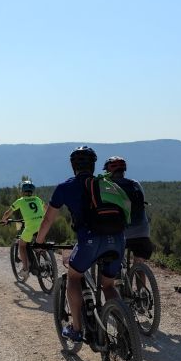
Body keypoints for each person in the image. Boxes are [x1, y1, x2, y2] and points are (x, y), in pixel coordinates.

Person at [35, 146, 125, 342]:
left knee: (74, 278)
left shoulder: (65, 187)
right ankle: (125, 331)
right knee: (108, 285)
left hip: (91, 241)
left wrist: (39, 242)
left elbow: (48, 220)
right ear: (93, 166)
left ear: (72, 166)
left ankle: (76, 328)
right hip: (117, 240)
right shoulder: (106, 184)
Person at [102, 156, 155, 266]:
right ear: (123, 171)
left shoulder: (106, 186)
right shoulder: (134, 184)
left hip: (120, 233)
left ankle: (116, 278)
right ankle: (140, 274)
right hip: (142, 233)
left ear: (108, 171)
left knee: (110, 261)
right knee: (139, 264)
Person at [0, 181, 46, 280]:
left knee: (22, 244)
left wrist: (4, 220)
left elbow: (8, 212)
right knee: (40, 243)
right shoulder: (38, 199)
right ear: (32, 191)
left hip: (30, 227)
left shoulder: (20, 201)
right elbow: (45, 208)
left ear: (22, 191)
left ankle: (25, 270)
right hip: (42, 225)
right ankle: (45, 259)